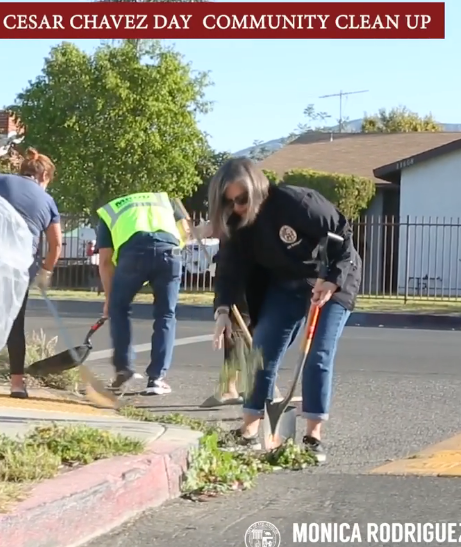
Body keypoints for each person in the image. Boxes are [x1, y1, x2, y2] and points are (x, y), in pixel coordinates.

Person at [209, 157, 362, 461]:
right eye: (229, 203)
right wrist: (223, 310)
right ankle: (250, 430)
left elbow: (343, 238)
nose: (237, 208)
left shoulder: (298, 203)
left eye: (241, 200)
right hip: (286, 283)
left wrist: (332, 280)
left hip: (332, 279)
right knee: (262, 351)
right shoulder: (237, 224)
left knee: (317, 353)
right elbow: (228, 268)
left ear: (255, 189)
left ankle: (313, 436)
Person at [96, 191, 191, 395]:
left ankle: (124, 369)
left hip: (133, 254)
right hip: (169, 251)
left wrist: (108, 300)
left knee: (119, 309)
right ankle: (156, 379)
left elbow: (105, 261)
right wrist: (174, 249)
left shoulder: (110, 210)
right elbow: (186, 229)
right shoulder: (166, 200)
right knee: (166, 314)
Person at [0, 148, 62, 398]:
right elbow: (56, 244)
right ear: (44, 175)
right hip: (18, 267)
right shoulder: (47, 200)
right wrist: (46, 271)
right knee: (15, 321)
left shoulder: (3, 180)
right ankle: (17, 384)